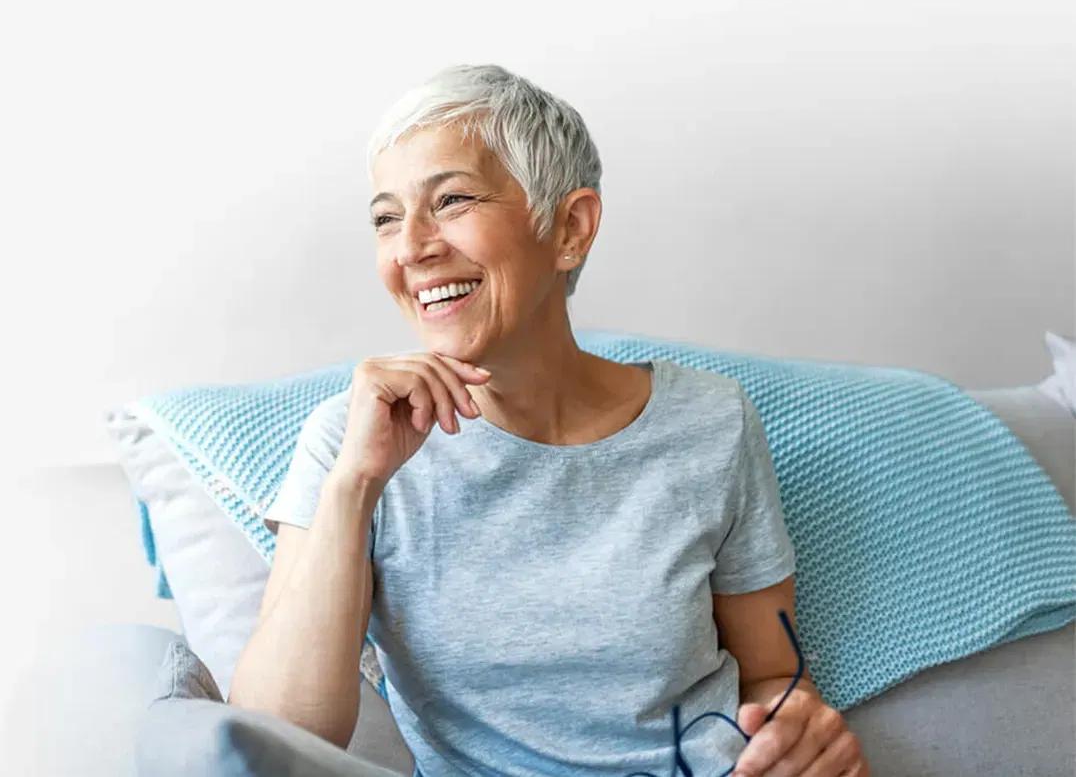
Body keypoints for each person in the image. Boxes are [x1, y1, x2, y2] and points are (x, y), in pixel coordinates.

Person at [227, 65, 869, 777]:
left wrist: (801, 742)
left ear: (569, 227)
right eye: (385, 217)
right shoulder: (350, 442)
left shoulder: (712, 422)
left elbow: (773, 674)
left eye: (452, 200)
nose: (411, 246)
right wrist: (354, 486)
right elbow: (273, 738)